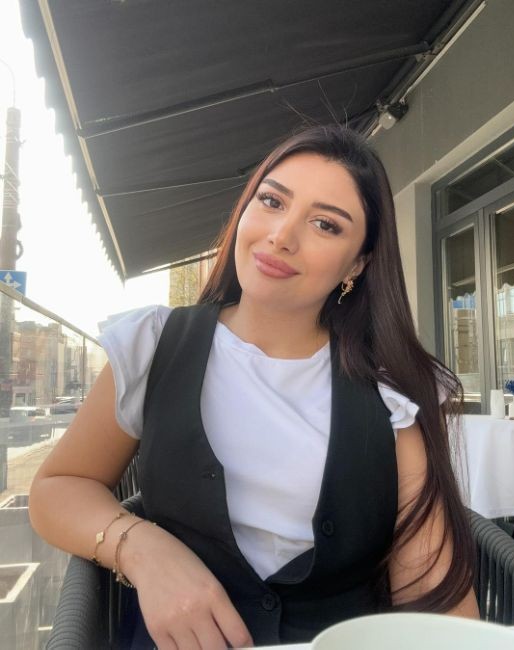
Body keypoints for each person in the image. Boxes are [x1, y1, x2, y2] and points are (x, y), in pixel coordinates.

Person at [29, 124, 479, 649]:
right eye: (272, 201)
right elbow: (59, 486)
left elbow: (432, 600)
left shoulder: (390, 395)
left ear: (358, 263)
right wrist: (142, 549)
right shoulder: (153, 345)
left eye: (326, 225)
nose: (282, 235)